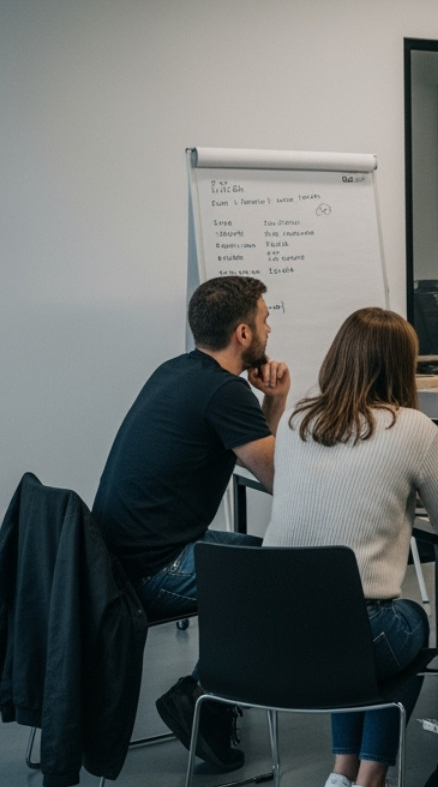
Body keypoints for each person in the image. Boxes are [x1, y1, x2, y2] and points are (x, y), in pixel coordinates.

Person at [265, 307, 438, 787]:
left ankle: (342, 773)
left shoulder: (297, 417)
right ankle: (371, 776)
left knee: (354, 629)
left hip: (273, 633)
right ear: (401, 366)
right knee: (409, 624)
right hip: (351, 636)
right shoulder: (411, 428)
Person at [93, 275, 290, 773]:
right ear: (243, 334)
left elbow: (251, 451)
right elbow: (277, 479)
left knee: (262, 556)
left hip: (112, 560)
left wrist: (273, 399)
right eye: (265, 319)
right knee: (279, 578)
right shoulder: (223, 393)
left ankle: (209, 691)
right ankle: (203, 696)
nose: (269, 328)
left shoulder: (177, 371)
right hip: (149, 571)